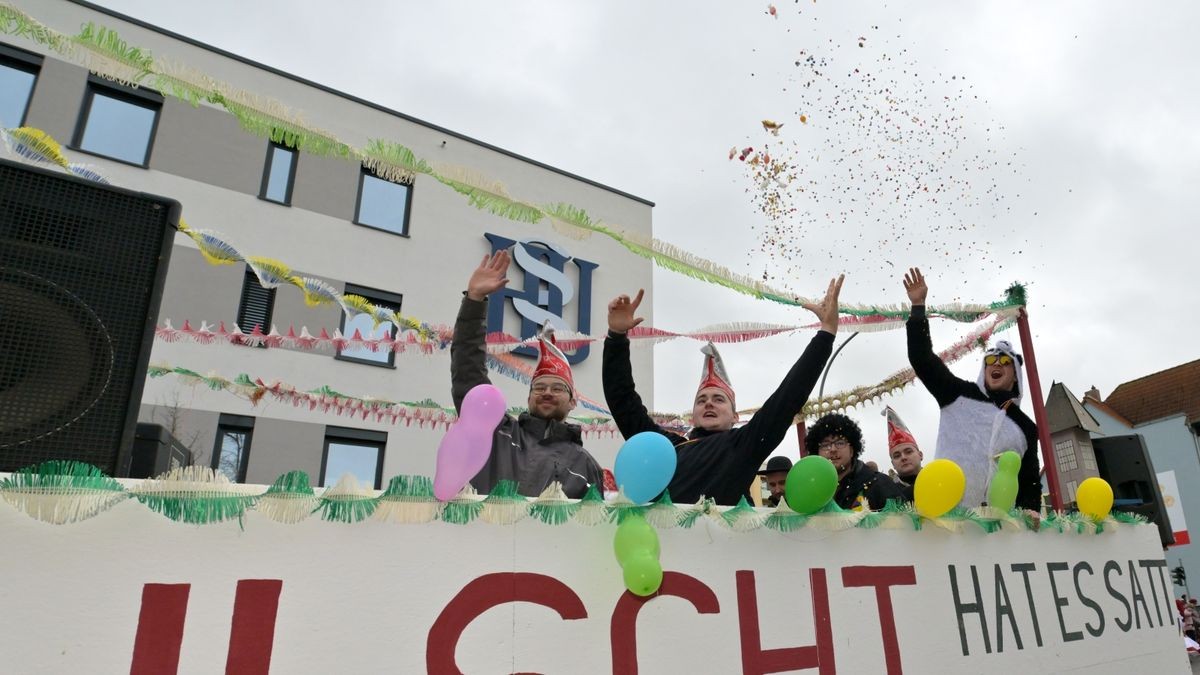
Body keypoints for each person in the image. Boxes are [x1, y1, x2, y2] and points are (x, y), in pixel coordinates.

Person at [602, 276, 844, 506]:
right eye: (701, 400)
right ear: (692, 416)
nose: (709, 404)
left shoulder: (744, 445)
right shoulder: (666, 447)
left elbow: (787, 397)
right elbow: (623, 401)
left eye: (719, 399)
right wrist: (616, 337)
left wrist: (826, 334)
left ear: (735, 416)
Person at [451, 250, 604, 498]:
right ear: (529, 397)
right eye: (539, 387)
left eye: (557, 388)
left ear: (573, 400)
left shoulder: (586, 466)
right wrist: (475, 301)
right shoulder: (496, 432)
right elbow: (468, 373)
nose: (547, 393)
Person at [903, 267, 1040, 510]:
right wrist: (918, 308)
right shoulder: (957, 393)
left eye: (1005, 361)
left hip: (995, 530)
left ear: (1016, 376)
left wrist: (1030, 514)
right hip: (944, 516)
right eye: (990, 360)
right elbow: (922, 359)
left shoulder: (1026, 426)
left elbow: (1029, 482)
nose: (996, 363)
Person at [807, 413, 904, 511]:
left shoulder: (880, 485)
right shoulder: (810, 491)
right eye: (825, 444)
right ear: (817, 452)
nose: (832, 449)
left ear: (852, 450)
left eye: (840, 443)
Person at [884, 406, 923, 502]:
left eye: (908, 452)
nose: (903, 457)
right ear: (892, 464)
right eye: (897, 456)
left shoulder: (937, 480)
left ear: (920, 455)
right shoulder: (888, 496)